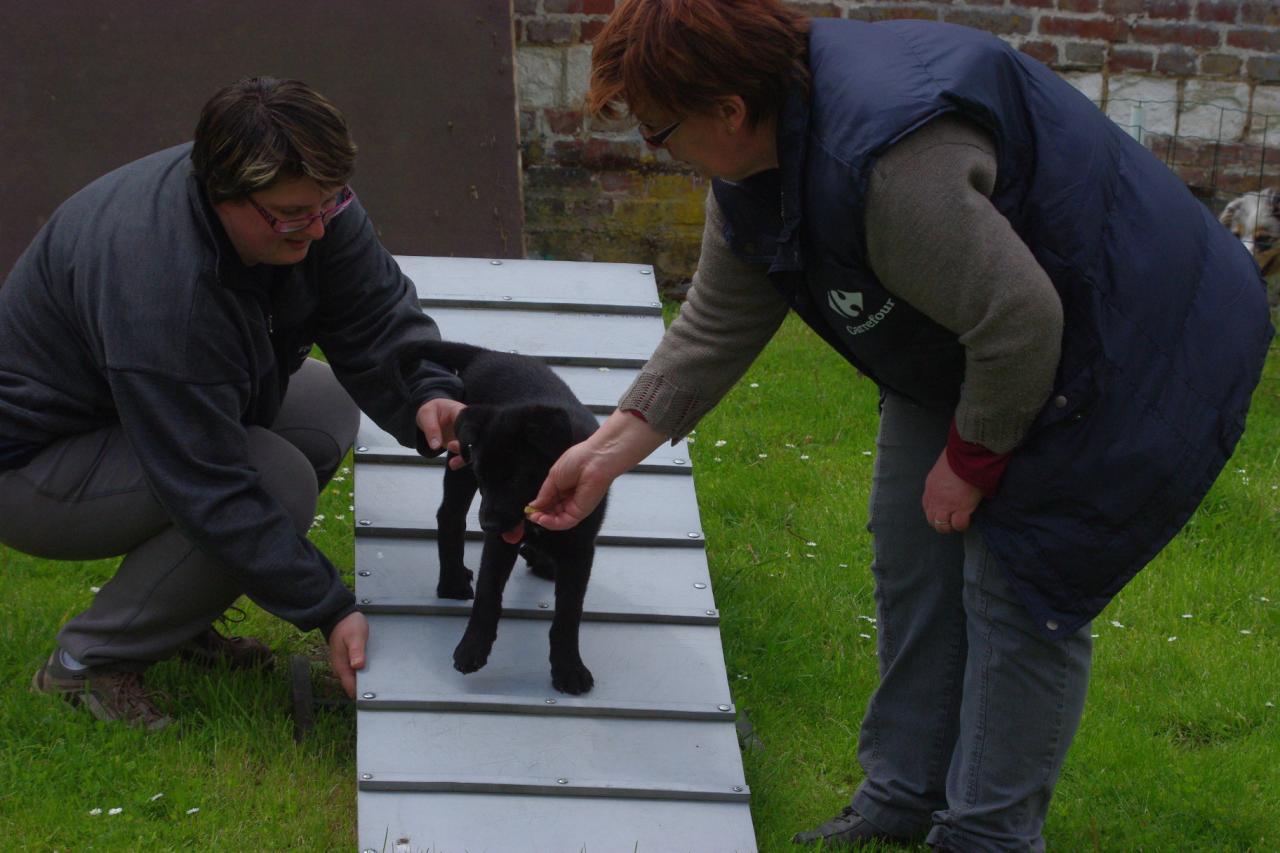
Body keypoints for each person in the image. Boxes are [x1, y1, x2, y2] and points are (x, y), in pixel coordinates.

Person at [524, 1, 1274, 849]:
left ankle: (986, 834)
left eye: (660, 133)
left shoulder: (885, 160)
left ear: (727, 110)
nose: (658, 151)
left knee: (1017, 575)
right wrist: (604, 451)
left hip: (1132, 330)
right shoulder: (757, 164)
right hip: (979, 327)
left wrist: (973, 455)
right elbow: (713, 327)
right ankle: (901, 797)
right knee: (910, 543)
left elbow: (1022, 319)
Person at [0, 78, 466, 731]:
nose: (316, 227)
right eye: (291, 214)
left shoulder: (307, 199)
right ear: (223, 193)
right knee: (272, 482)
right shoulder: (159, 284)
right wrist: (330, 607)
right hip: (34, 466)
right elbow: (209, 484)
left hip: (133, 407)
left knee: (327, 404)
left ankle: (180, 616)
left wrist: (429, 392)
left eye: (327, 205)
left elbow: (375, 312)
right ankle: (88, 662)